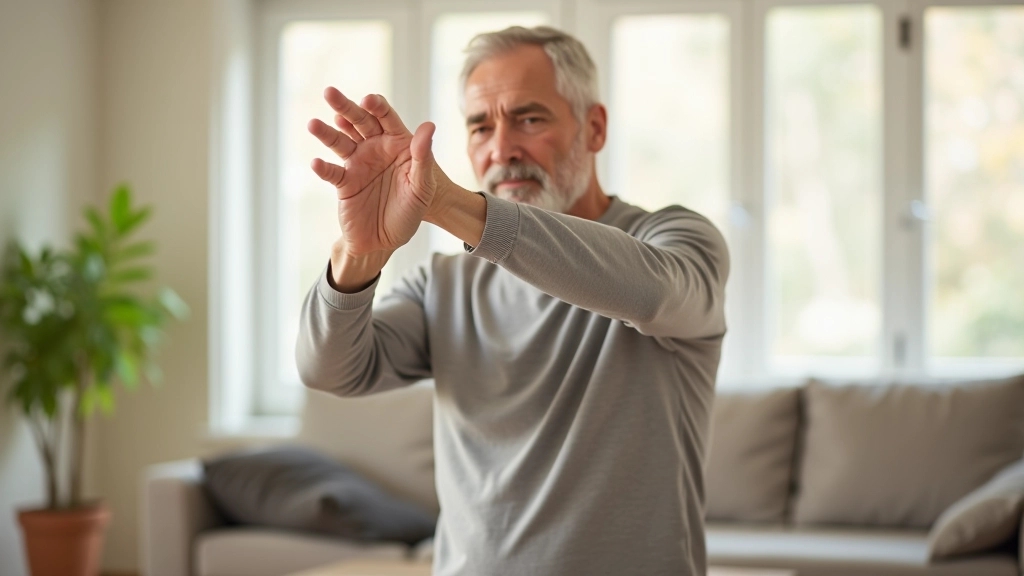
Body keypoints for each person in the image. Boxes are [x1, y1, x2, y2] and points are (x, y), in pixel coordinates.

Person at [296, 25, 729, 576]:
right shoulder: (443, 285)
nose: (502, 149)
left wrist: (446, 202)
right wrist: (361, 253)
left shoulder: (676, 241)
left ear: (593, 128)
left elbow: (653, 292)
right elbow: (330, 369)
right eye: (480, 126)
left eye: (529, 118)